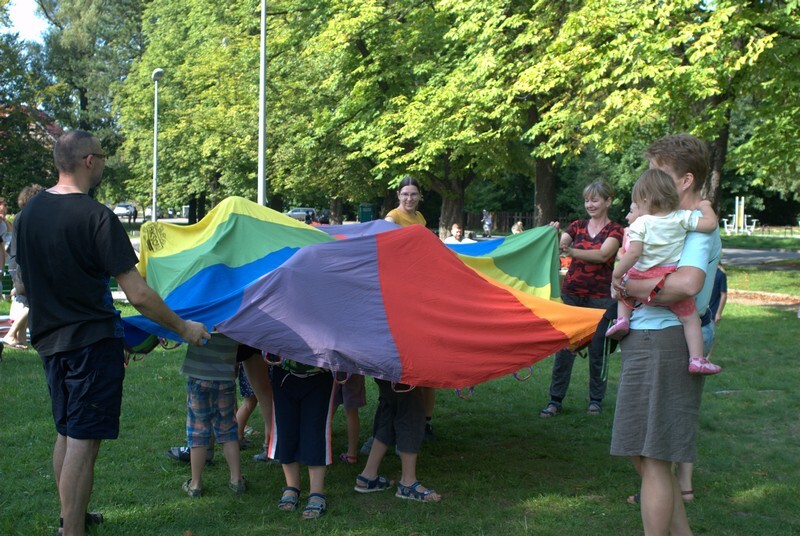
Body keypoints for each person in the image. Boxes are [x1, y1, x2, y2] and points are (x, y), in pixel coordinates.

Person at [15, 130, 209, 536]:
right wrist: (184, 327)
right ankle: (72, 530)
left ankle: (72, 515)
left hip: (50, 342)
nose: (104, 162)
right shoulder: (96, 216)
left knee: (68, 432)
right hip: (90, 345)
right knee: (83, 441)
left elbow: (25, 284)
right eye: (102, 156)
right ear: (89, 160)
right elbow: (137, 292)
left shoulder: (29, 214)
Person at [611, 133, 722, 535]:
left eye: (659, 172)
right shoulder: (661, 222)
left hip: (668, 340)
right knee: (641, 451)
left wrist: (626, 287)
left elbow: (686, 285)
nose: (648, 180)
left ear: (685, 181)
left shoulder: (693, 228)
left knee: (655, 456)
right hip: (646, 338)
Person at [605, 170, 721, 375]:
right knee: (691, 318)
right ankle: (697, 359)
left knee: (625, 287)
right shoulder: (682, 218)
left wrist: (616, 274)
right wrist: (705, 206)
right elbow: (710, 224)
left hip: (640, 278)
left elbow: (633, 254)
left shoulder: (640, 223)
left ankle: (623, 320)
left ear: (644, 199)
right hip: (665, 280)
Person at [539, 180, 624, 417]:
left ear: (608, 201)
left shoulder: (616, 230)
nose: (590, 204)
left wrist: (572, 252)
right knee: (565, 350)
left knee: (598, 350)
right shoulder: (577, 225)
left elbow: (603, 255)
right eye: (587, 200)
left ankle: (595, 400)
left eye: (595, 200)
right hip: (572, 295)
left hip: (601, 300)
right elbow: (561, 244)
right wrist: (553, 235)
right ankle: (555, 400)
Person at [382, 176, 436, 441]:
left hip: (419, 290)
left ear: (419, 196)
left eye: (414, 194)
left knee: (428, 361)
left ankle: (425, 420)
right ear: (398, 195)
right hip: (400, 294)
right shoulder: (393, 217)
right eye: (405, 194)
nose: (409, 199)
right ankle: (398, 417)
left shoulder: (421, 218)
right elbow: (385, 233)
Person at [269, 356, 335, 519]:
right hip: (284, 374)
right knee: (286, 431)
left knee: (315, 432)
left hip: (320, 375)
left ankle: (316, 493)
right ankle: (291, 487)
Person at [180, 333, 245, 498]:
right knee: (228, 428)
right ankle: (237, 479)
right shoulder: (234, 316)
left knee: (198, 430)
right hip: (225, 379)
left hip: (198, 377)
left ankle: (195, 484)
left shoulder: (199, 314)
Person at [3, 185, 45, 350]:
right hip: (23, 265)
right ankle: (11, 334)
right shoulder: (29, 218)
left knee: (27, 300)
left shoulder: (22, 217)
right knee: (35, 301)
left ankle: (21, 339)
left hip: (18, 264)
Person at [334, 374, 367, 465]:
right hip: (353, 367)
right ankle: (352, 454)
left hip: (333, 365)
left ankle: (322, 449)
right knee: (352, 412)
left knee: (329, 408)